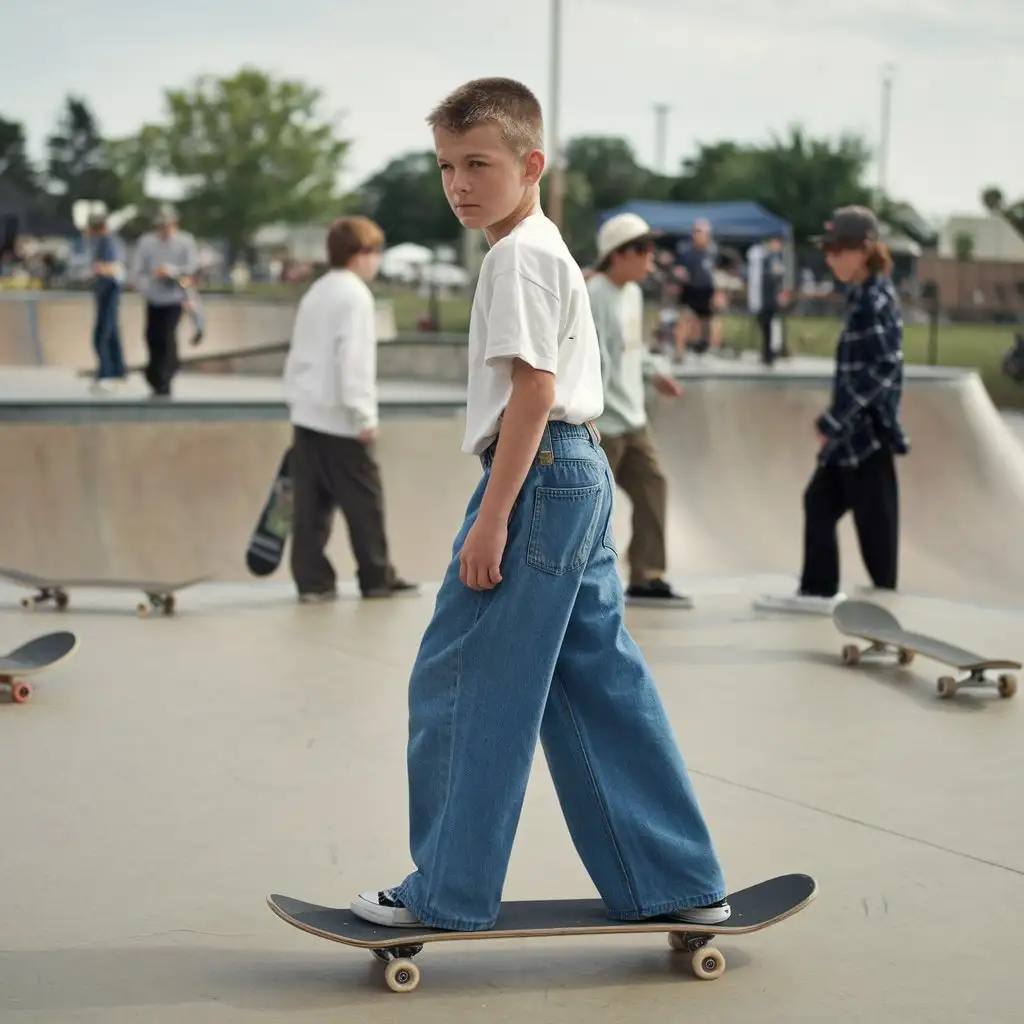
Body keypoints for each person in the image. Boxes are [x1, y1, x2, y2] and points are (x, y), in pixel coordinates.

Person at [349, 77, 729, 932]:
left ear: (531, 165)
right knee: (595, 682)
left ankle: (443, 890)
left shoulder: (516, 255)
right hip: (578, 474)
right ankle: (677, 879)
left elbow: (533, 390)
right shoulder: (544, 245)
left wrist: (492, 518)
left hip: (539, 474)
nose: (458, 184)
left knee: (461, 678)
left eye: (478, 163)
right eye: (445, 166)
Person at [756, 206, 909, 614]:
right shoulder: (860, 295)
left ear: (863, 250)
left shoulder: (875, 298)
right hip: (850, 436)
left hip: (867, 435)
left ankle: (887, 607)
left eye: (837, 250)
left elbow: (883, 369)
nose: (829, 258)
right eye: (827, 249)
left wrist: (835, 418)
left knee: (875, 529)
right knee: (819, 502)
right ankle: (819, 590)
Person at [282, 215, 417, 603]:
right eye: (375, 253)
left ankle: (312, 581)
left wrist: (295, 400)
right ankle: (376, 576)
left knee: (312, 505)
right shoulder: (355, 296)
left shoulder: (317, 290)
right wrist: (364, 416)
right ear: (360, 254)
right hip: (341, 419)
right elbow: (353, 361)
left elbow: (298, 353)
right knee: (365, 501)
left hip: (308, 413)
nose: (377, 262)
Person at [587, 212, 690, 606]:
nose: (652, 258)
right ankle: (582, 579)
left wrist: (655, 372)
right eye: (644, 250)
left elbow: (633, 348)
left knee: (654, 486)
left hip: (633, 417)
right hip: (602, 423)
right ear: (618, 254)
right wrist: (587, 415)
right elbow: (588, 359)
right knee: (593, 504)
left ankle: (647, 575)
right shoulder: (593, 295)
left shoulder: (632, 293)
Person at [131, 204, 199, 397]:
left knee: (166, 335)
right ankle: (154, 375)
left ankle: (166, 375)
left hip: (175, 297)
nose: (164, 230)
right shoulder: (146, 243)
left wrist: (171, 271)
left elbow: (191, 267)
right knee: (152, 336)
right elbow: (137, 270)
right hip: (154, 297)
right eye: (161, 226)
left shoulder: (185, 242)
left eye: (168, 226)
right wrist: (147, 282)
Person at [87, 211, 126, 392]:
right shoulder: (104, 241)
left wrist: (98, 268)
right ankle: (118, 371)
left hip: (109, 289)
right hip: (106, 290)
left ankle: (107, 373)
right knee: (111, 332)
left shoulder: (107, 241)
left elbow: (115, 268)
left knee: (102, 334)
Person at [674, 218, 721, 357]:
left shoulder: (713, 251)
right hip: (690, 289)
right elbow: (679, 268)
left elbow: (715, 271)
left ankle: (713, 350)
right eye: (695, 231)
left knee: (711, 320)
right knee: (683, 319)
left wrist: (717, 293)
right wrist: (680, 274)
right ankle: (679, 352)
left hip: (706, 289)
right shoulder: (685, 251)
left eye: (701, 232)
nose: (697, 235)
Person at [747, 233, 788, 367]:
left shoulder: (775, 258)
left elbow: (778, 276)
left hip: (771, 299)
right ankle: (767, 353)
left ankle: (770, 354)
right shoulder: (766, 258)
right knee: (766, 326)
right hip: (765, 298)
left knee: (770, 327)